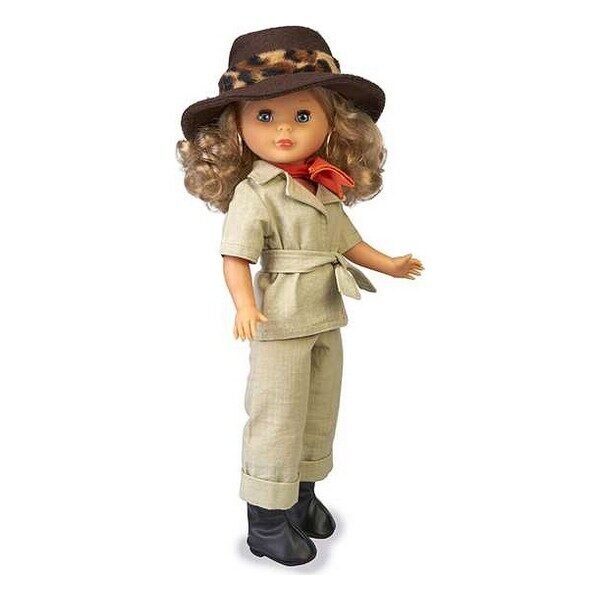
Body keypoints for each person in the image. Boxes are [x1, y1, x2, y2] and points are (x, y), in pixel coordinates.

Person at [176, 25, 424, 567]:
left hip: (325, 311)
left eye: (303, 115)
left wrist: (390, 264)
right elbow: (236, 256)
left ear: (335, 123)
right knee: (277, 413)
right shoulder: (255, 192)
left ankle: (301, 496)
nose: (284, 129)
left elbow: (347, 242)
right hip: (280, 317)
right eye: (265, 116)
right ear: (237, 128)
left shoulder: (322, 182)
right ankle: (266, 519)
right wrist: (245, 305)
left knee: (318, 408)